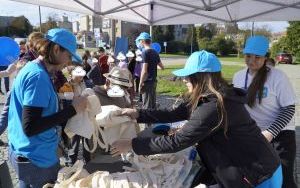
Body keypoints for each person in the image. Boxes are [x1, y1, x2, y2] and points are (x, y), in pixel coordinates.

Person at [111, 50, 282, 188]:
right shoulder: (211, 97)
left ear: (201, 77)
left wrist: (132, 145)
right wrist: (138, 114)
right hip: (258, 166)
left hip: (259, 175)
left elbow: (178, 141)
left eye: (188, 75)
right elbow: (175, 113)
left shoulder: (213, 106)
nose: (184, 79)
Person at [7, 28, 87, 188]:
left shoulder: (34, 69)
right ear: (56, 49)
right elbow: (30, 126)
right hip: (36, 159)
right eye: (69, 56)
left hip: (26, 152)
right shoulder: (38, 77)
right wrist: (73, 109)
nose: (69, 62)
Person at [233, 36, 297, 188]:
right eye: (248, 56)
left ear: (265, 57)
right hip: (255, 134)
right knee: (259, 177)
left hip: (281, 135)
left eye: (257, 57)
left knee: (284, 179)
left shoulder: (277, 77)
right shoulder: (238, 76)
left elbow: (289, 108)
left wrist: (270, 132)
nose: (252, 61)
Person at [136, 32, 164, 110]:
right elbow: (162, 67)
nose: (139, 43)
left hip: (147, 82)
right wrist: (153, 66)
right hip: (154, 81)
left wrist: (140, 83)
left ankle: (148, 122)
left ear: (142, 41)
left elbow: (144, 71)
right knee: (152, 104)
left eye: (140, 41)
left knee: (147, 106)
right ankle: (153, 121)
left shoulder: (145, 53)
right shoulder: (155, 52)